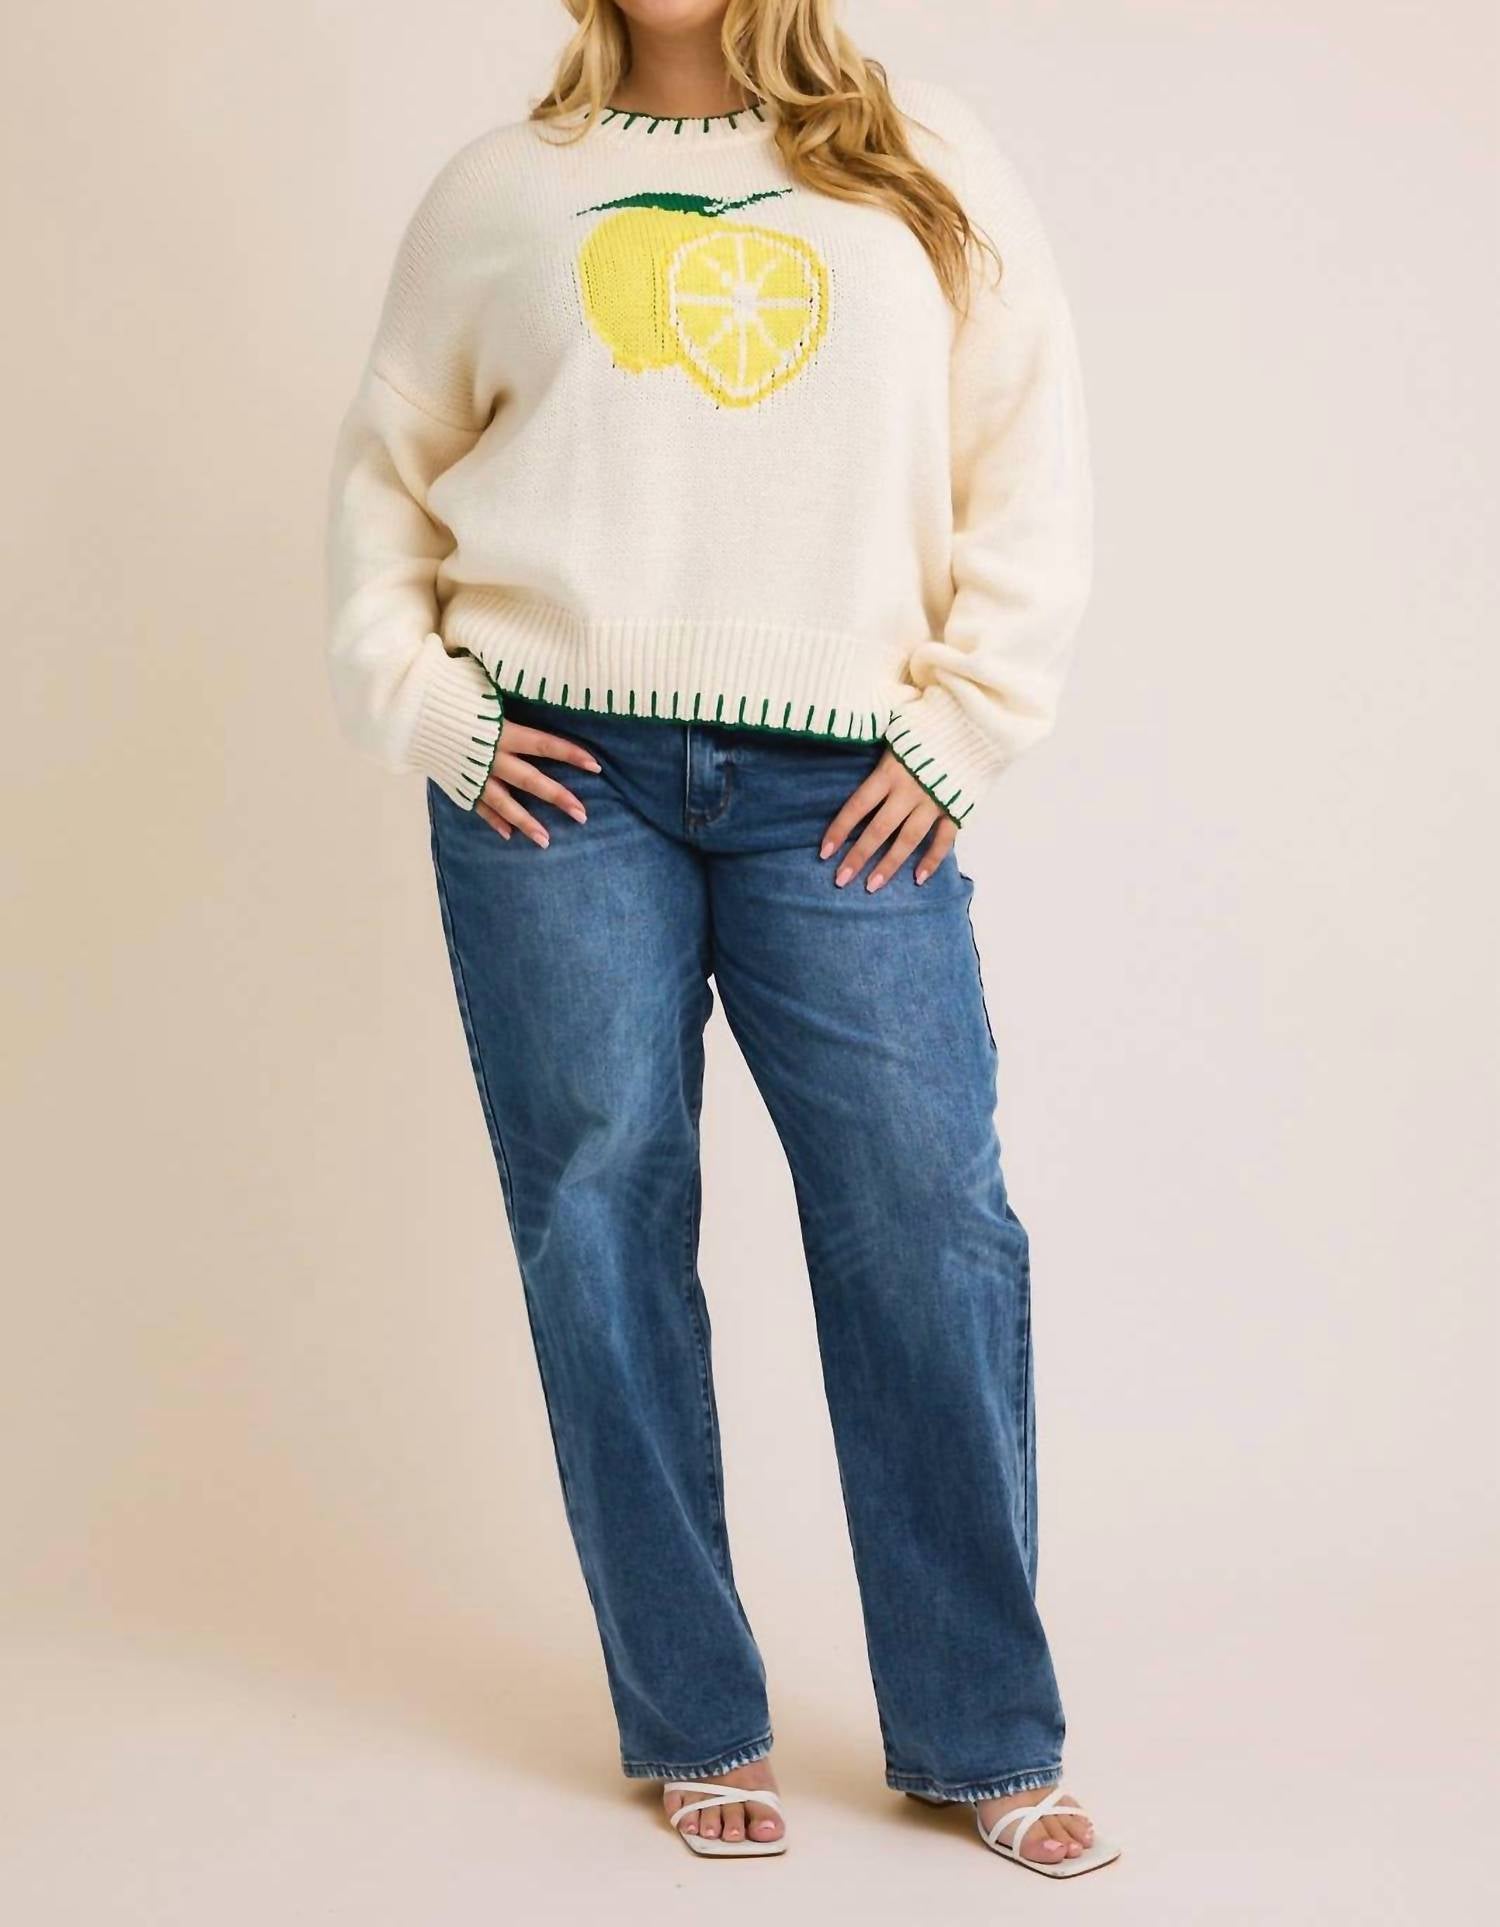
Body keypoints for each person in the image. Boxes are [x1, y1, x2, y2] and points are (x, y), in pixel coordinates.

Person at [323, 0, 1118, 1878]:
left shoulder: (926, 156)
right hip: (553, 770)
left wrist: (968, 723)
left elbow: (1029, 453)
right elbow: (383, 480)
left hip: (844, 776)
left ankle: (982, 1728)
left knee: (925, 1208)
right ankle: (692, 1715)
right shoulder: (502, 191)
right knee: (599, 1210)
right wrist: (426, 707)